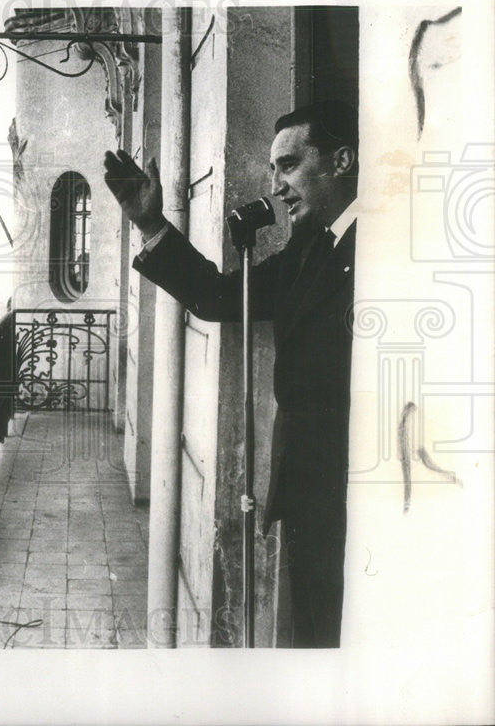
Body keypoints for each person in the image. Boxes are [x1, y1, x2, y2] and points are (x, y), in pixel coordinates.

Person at [103, 100, 358, 648]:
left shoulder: (383, 246)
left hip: (361, 490)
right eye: (273, 171)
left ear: (341, 161)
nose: (277, 185)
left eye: (288, 165)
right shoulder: (309, 248)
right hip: (308, 487)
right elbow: (222, 297)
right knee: (316, 635)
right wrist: (150, 222)